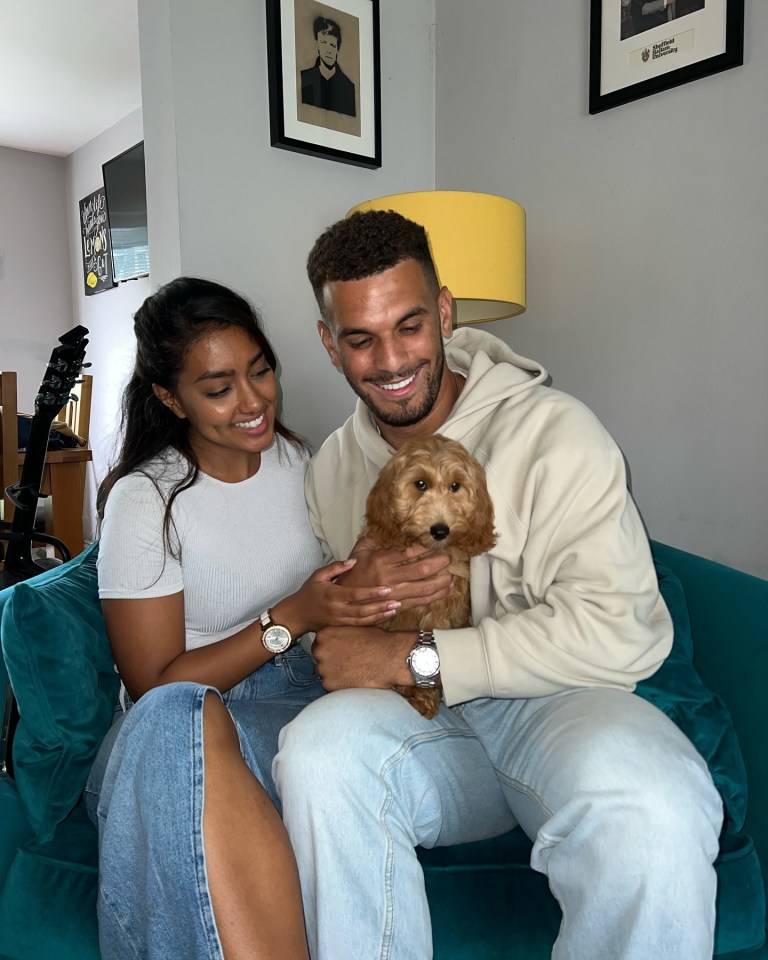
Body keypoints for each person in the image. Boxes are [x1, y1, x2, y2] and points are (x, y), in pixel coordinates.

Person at [273, 211, 724, 959]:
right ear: (329, 344)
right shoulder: (330, 469)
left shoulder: (559, 433)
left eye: (410, 326)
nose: (390, 359)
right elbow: (347, 630)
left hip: (560, 706)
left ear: (445, 312)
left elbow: (620, 630)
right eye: (360, 338)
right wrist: (344, 625)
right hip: (430, 731)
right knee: (315, 752)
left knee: (657, 806)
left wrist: (414, 659)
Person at [84, 276, 400, 960]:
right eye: (220, 386)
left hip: (300, 703)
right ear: (172, 398)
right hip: (177, 729)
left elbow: (345, 606)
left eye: (261, 371)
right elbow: (155, 688)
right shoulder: (147, 500)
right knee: (183, 716)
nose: (254, 401)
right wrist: (291, 614)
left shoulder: (304, 464)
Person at [300, 16, 356, 117]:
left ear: (338, 50)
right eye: (324, 43)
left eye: (332, 45)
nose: (328, 50)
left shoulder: (348, 88)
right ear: (317, 45)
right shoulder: (304, 79)